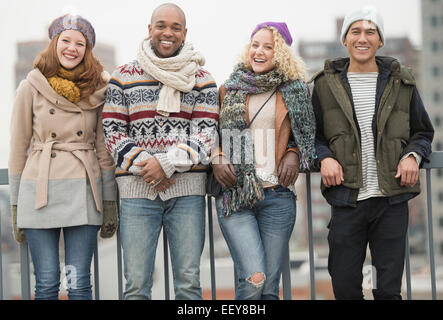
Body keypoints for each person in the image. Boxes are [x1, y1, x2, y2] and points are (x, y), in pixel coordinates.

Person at [311, 6, 434, 300]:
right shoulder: (324, 84)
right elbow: (311, 136)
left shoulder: (401, 82)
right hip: (346, 201)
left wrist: (412, 156)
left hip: (391, 202)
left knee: (387, 290)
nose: (362, 38)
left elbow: (423, 132)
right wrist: (324, 156)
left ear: (380, 40)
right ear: (346, 39)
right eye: (356, 31)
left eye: (370, 31)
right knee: (345, 286)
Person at [102, 3, 218, 300]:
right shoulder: (123, 76)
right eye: (161, 25)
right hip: (136, 193)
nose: (168, 32)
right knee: (137, 285)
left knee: (189, 284)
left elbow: (206, 133)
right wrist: (149, 167)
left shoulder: (202, 79)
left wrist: (166, 164)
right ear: (149, 29)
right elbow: (112, 131)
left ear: (184, 33)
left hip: (187, 193)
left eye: (175, 27)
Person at [8, 14, 118, 300]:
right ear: (55, 43)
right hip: (39, 192)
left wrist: (108, 203)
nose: (72, 48)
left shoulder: (99, 89)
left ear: (87, 50)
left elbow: (104, 150)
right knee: (45, 283)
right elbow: (18, 148)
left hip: (83, 191)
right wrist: (16, 206)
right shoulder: (30, 85)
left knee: (79, 282)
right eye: (65, 40)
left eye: (80, 43)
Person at [212, 22, 316, 300]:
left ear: (280, 53)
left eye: (268, 47)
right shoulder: (229, 89)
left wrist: (293, 154)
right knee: (254, 279)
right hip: (237, 195)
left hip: (278, 197)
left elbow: (304, 137)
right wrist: (218, 156)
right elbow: (212, 134)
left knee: (269, 289)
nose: (259, 51)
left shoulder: (296, 91)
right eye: (255, 45)